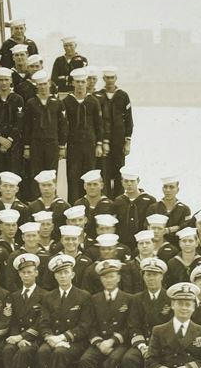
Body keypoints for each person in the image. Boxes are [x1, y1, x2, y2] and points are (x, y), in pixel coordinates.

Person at [35, 254, 93, 368]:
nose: (63, 276)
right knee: (43, 352)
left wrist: (63, 337)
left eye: (66, 272)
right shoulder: (49, 297)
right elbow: (44, 322)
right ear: (55, 276)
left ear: (72, 274)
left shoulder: (83, 296)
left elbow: (85, 325)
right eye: (59, 273)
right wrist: (49, 337)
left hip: (75, 341)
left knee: (60, 352)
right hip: (53, 339)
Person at [80, 259, 132, 368]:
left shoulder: (128, 299)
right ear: (101, 279)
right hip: (100, 341)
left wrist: (112, 341)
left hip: (119, 343)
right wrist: (99, 343)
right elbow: (90, 325)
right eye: (105, 277)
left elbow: (130, 326)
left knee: (114, 360)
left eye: (112, 276)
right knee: (86, 359)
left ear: (118, 278)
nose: (108, 280)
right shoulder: (94, 299)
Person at [122, 257, 170, 368]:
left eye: (155, 274)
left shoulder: (170, 298)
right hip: (143, 343)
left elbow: (171, 326)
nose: (151, 278)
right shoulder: (137, 299)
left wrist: (155, 346)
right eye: (148, 274)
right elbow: (133, 326)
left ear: (161, 276)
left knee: (153, 360)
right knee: (129, 359)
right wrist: (142, 346)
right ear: (143, 276)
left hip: (164, 344)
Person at [2, 253, 45, 368]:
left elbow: (41, 322)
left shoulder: (44, 295)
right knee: (8, 349)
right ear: (19, 274)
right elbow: (12, 321)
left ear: (36, 273)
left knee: (24, 352)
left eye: (29, 272)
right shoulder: (14, 296)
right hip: (17, 337)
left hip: (35, 338)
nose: (26, 275)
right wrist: (16, 337)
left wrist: (22, 337)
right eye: (23, 273)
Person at [63, 69, 104, 200]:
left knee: (89, 176)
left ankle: (88, 205)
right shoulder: (67, 101)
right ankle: (74, 205)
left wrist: (99, 144)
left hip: (89, 144)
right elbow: (63, 125)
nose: (80, 84)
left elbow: (99, 124)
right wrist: (63, 145)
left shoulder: (93, 101)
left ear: (86, 83)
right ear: (73, 83)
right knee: (73, 175)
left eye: (82, 82)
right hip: (73, 145)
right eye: (77, 82)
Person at [95, 66, 133, 197]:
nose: (109, 80)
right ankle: (105, 198)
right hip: (103, 139)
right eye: (107, 78)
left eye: (112, 78)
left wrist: (127, 141)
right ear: (103, 79)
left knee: (119, 171)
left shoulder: (123, 96)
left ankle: (118, 198)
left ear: (116, 78)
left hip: (118, 140)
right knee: (104, 172)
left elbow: (129, 120)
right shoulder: (98, 95)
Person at [22, 71, 67, 179]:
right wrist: (27, 147)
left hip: (52, 142)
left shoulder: (57, 103)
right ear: (36, 86)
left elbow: (63, 125)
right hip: (36, 142)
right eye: (40, 84)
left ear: (49, 84)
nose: (43, 87)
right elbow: (27, 126)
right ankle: (37, 196)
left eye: (45, 84)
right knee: (36, 174)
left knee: (52, 173)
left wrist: (62, 146)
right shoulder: (31, 103)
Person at [113, 167, 156, 247]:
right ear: (122, 182)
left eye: (132, 181)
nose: (129, 184)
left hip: (143, 243)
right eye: (126, 181)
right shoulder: (119, 201)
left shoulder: (149, 200)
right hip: (123, 243)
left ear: (138, 181)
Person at [148, 176, 191, 243]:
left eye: (171, 187)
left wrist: (168, 230)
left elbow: (186, 228)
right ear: (162, 189)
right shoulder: (153, 208)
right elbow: (147, 227)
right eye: (165, 187)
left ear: (177, 189)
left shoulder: (184, 209)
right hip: (157, 244)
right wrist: (175, 228)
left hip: (178, 245)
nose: (168, 190)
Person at [28, 170, 70, 236]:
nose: (46, 188)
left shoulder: (64, 206)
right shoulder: (32, 206)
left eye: (49, 185)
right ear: (39, 186)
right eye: (43, 185)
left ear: (55, 185)